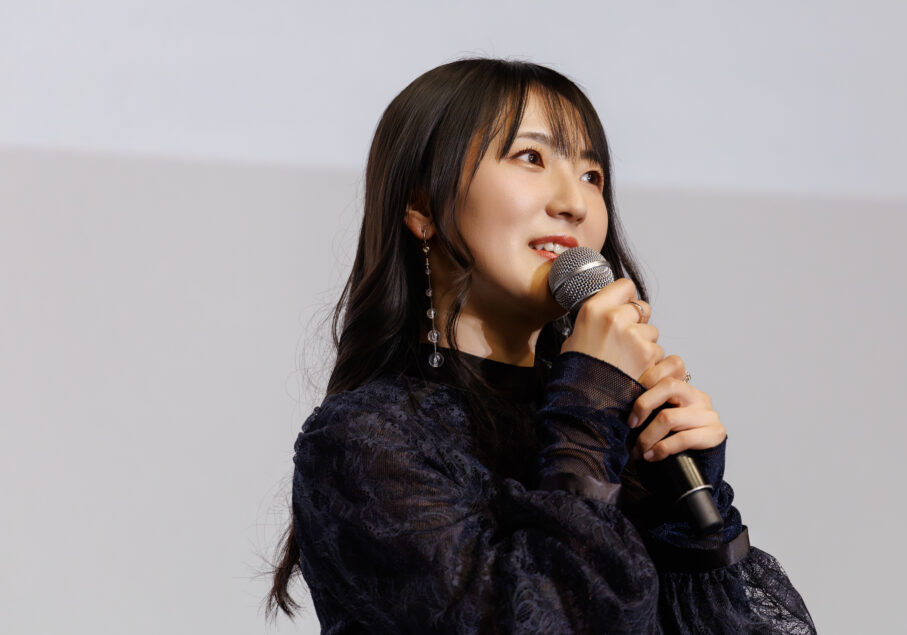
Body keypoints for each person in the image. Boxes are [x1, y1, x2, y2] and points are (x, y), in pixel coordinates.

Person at [266, 58, 816, 633]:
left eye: (592, 175)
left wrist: (690, 517)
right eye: (531, 157)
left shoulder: (607, 433)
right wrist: (587, 416)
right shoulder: (363, 440)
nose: (575, 203)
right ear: (423, 206)